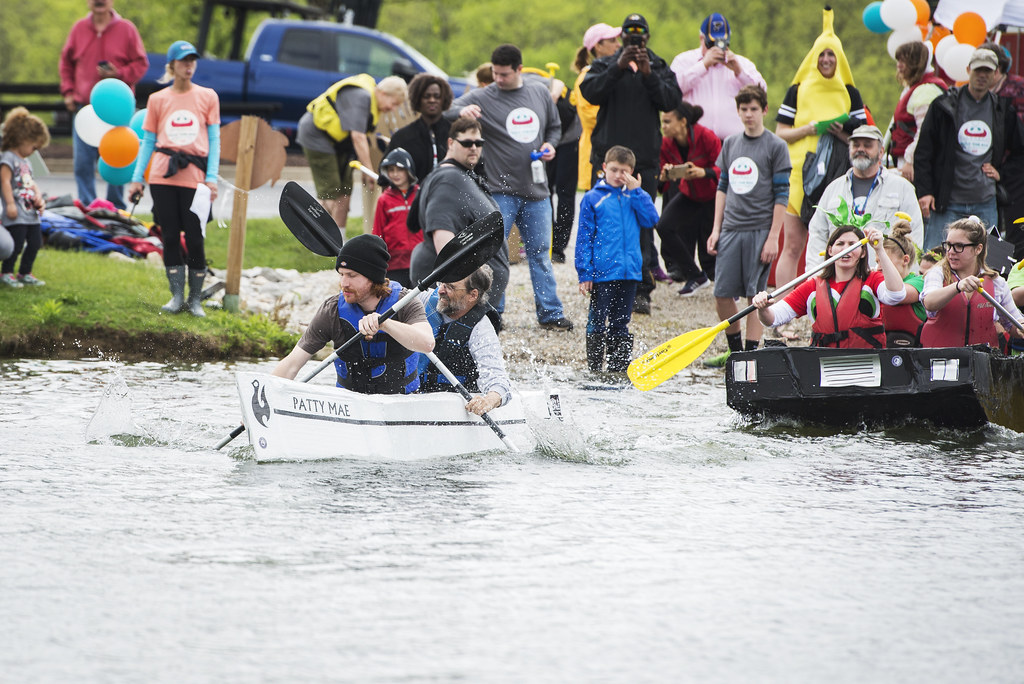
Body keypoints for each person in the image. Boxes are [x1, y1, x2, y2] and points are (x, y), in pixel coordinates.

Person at [447, 44, 572, 331]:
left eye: (503, 74)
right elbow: (450, 109)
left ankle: (551, 314)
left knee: (540, 253)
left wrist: (550, 144)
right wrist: (462, 110)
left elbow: (554, 126)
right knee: (495, 254)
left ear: (519, 69)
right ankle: (492, 313)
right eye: (494, 73)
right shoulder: (484, 95)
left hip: (537, 191)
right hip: (500, 191)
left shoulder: (538, 92)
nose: (498, 79)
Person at [579, 13, 682, 314]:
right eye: (629, 34)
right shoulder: (605, 64)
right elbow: (590, 92)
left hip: (643, 161)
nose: (635, 39)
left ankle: (641, 290)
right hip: (606, 158)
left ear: (647, 37)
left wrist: (648, 74)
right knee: (601, 222)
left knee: (641, 225)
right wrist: (618, 66)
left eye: (640, 34)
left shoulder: (659, 65)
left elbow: (670, 101)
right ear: (622, 36)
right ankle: (600, 283)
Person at [774, 7, 867, 288]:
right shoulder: (798, 89)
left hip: (838, 175)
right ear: (813, 58)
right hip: (798, 175)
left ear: (840, 60)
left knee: (840, 246)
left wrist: (841, 134)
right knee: (792, 246)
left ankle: (831, 306)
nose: (826, 59)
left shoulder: (850, 93)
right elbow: (780, 133)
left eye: (831, 54)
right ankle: (783, 313)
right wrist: (811, 128)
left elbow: (864, 137)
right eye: (822, 54)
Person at [272, 234, 434, 393]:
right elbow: (292, 364)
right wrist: (261, 399)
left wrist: (385, 324)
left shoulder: (404, 302)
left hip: (403, 403)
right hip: (350, 405)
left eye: (352, 275)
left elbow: (427, 343)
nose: (343, 283)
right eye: (341, 274)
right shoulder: (331, 310)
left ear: (373, 277)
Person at [128, 40, 220, 317]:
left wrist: (212, 177)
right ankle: (176, 295)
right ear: (172, 65)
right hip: (162, 176)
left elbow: (215, 140)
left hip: (195, 176)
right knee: (168, 236)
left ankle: (195, 299)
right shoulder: (158, 99)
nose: (189, 65)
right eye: (183, 61)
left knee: (194, 237)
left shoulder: (208, 96)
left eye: (192, 60)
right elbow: (148, 141)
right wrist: (137, 179)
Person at [704, 85, 791, 367]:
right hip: (731, 228)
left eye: (754, 109)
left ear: (764, 110)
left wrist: (773, 237)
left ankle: (751, 354)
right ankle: (736, 352)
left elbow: (781, 195)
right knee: (722, 294)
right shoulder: (730, 143)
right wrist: (716, 229)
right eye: (743, 109)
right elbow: (722, 187)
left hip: (760, 229)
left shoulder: (776, 146)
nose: (748, 114)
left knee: (756, 295)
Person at [914, 48, 1024, 251]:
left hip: (985, 200)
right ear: (968, 70)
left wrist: (1002, 173)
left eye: (987, 72)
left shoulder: (1002, 109)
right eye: (978, 71)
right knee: (934, 260)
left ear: (995, 74)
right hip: (946, 202)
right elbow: (924, 151)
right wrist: (925, 191)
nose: (982, 76)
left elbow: (1020, 151)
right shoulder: (944, 105)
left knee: (992, 265)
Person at [409, 117, 510, 313]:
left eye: (478, 143)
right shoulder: (448, 179)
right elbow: (444, 239)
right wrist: (459, 296)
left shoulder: (455, 175)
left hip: (467, 298)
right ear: (450, 143)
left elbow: (412, 221)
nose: (473, 147)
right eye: (466, 143)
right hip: (457, 301)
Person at [576, 146, 660, 372]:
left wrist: (638, 192)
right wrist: (585, 273)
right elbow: (584, 238)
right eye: (613, 170)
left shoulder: (633, 196)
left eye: (624, 171)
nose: (618, 175)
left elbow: (651, 219)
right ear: (604, 168)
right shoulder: (593, 198)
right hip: (603, 273)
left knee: (621, 322)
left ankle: (619, 369)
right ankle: (594, 370)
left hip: (629, 272)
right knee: (597, 320)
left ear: (632, 172)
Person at [753, 225, 907, 348]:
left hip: (868, 365)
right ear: (830, 251)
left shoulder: (872, 279)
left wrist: (879, 249)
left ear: (862, 253)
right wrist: (763, 308)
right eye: (840, 244)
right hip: (824, 365)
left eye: (852, 244)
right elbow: (773, 318)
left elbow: (897, 295)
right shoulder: (812, 287)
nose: (845, 249)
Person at [59, 0, 148, 210]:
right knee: (82, 163)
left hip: (117, 110)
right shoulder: (79, 28)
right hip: (84, 107)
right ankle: (89, 209)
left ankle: (115, 208)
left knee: (118, 160)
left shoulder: (127, 29)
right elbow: (66, 62)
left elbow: (141, 63)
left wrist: (119, 74)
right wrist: (68, 91)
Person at [297, 75, 408, 234]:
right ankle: (319, 240)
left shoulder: (373, 102)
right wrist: (369, 171)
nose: (393, 109)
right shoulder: (361, 96)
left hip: (340, 144)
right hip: (316, 136)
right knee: (330, 190)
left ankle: (339, 240)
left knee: (345, 190)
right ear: (383, 93)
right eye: (394, 103)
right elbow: (358, 136)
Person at [805, 125, 923, 270]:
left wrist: (906, 282)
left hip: (883, 281)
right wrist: (816, 278)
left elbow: (914, 237)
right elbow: (818, 236)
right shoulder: (833, 189)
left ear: (881, 152)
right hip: (840, 281)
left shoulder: (902, 188)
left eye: (867, 145)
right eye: (856, 145)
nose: (860, 149)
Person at [417, 264, 512, 415]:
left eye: (450, 287)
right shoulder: (424, 300)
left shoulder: (481, 329)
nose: (441, 291)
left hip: (451, 403)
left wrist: (488, 401)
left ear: (473, 295)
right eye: (441, 283)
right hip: (412, 394)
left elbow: (500, 382)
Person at [920, 217, 1024, 347]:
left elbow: (1012, 324)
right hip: (942, 361)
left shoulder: (996, 282)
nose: (951, 252)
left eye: (959, 246)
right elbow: (929, 302)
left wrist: (1020, 327)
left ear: (978, 249)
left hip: (982, 362)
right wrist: (957, 286)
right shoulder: (937, 273)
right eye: (948, 245)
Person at [656, 100, 721, 294]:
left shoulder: (706, 136)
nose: (664, 126)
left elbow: (724, 169)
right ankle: (694, 275)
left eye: (667, 121)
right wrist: (664, 176)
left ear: (683, 121)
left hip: (713, 195)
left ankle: (727, 286)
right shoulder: (665, 143)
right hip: (690, 194)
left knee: (713, 243)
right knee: (664, 227)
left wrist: (704, 172)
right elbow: (663, 187)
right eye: (662, 122)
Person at [669, 12, 767, 141]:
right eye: (712, 43)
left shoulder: (743, 63)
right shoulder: (684, 61)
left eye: (722, 42)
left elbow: (762, 94)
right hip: (696, 143)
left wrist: (739, 72)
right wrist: (703, 65)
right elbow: (672, 90)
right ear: (701, 39)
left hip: (735, 142)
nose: (716, 47)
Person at [0, 108, 50, 288]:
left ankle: (25, 272)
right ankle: (6, 272)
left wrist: (38, 196)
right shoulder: (8, 158)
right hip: (16, 212)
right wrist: (10, 204)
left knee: (35, 242)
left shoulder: (27, 162)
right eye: (33, 146)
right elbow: (5, 182)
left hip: (30, 212)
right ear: (22, 139)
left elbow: (30, 182)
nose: (33, 151)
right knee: (17, 244)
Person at [984, 41, 1024, 261]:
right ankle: (997, 274)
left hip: (1015, 171)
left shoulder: (1015, 90)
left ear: (997, 70)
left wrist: (1002, 170)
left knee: (1014, 226)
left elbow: (1017, 139)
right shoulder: (988, 94)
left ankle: (1009, 279)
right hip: (996, 172)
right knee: (996, 228)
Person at [571, 23, 621, 193]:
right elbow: (590, 117)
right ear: (598, 46)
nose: (618, 45)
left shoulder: (617, 72)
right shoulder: (588, 76)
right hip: (597, 151)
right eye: (612, 40)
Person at [890, 40, 946, 180]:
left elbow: (924, 131)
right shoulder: (915, 88)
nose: (899, 66)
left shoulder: (925, 91)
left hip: (917, 164)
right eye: (898, 61)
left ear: (916, 63)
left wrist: (910, 160)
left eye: (904, 61)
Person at [384, 74, 453, 184]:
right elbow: (385, 176)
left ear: (443, 99)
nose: (432, 100)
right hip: (413, 198)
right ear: (417, 99)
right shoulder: (402, 138)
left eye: (437, 96)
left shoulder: (455, 134)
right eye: (426, 96)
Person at [371, 148, 420, 288]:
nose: (395, 174)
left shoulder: (421, 195)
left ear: (408, 170)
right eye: (391, 170)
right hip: (394, 265)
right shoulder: (384, 200)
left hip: (418, 262)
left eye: (399, 169)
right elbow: (377, 234)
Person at [879, 219, 928, 347]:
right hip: (883, 349)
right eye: (878, 261)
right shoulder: (878, 284)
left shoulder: (920, 281)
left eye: (884, 261)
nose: (879, 267)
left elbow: (897, 294)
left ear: (905, 260)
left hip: (914, 349)